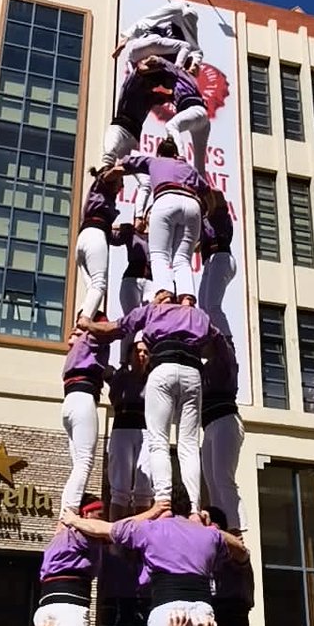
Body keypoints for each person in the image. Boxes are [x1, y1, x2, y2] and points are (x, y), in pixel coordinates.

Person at [63, 502, 248, 626]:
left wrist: (73, 520)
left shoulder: (151, 528)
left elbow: (105, 528)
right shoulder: (208, 534)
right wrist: (210, 528)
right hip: (201, 612)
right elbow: (240, 550)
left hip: (167, 611)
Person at [77, 294, 219, 515]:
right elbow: (215, 347)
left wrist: (87, 323)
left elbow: (116, 328)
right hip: (192, 371)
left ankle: (163, 501)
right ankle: (193, 507)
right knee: (189, 445)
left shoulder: (153, 310)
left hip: (164, 368)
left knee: (158, 443)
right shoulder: (198, 315)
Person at [112, 139, 213, 301]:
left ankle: (164, 293)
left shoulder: (154, 161)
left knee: (159, 254)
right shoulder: (188, 168)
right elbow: (207, 192)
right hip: (192, 204)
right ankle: (187, 297)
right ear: (175, 154)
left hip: (166, 198)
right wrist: (205, 213)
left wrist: (116, 166)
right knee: (183, 258)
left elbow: (126, 161)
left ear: (159, 153)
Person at [33, 498, 104, 626]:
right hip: (69, 609)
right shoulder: (86, 535)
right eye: (100, 514)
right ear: (86, 514)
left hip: (44, 611)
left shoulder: (58, 536)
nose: (102, 519)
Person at [60, 323, 109, 515]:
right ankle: (68, 516)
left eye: (79, 330)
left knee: (78, 466)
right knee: (84, 462)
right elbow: (105, 330)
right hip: (82, 399)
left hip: (70, 402)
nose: (75, 332)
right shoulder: (88, 342)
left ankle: (67, 513)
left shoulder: (74, 355)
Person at [201, 335, 246, 534]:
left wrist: (213, 332)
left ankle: (236, 528)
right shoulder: (203, 370)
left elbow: (222, 343)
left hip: (225, 420)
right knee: (212, 482)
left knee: (222, 478)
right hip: (209, 425)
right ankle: (221, 527)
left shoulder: (225, 360)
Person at [106, 338, 151, 520]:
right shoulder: (120, 377)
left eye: (146, 352)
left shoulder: (154, 378)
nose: (141, 355)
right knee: (119, 487)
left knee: (144, 485)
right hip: (122, 427)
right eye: (137, 351)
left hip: (146, 429)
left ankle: (141, 537)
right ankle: (115, 538)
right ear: (130, 355)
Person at [75, 168, 122, 320]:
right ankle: (83, 323)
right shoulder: (101, 186)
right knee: (99, 284)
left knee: (91, 290)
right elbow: (108, 176)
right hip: (94, 236)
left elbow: (113, 236)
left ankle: (82, 320)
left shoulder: (98, 196)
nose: (122, 187)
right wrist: (126, 168)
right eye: (121, 183)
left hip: (84, 238)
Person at [114, 0, 202, 71]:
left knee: (150, 20)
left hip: (176, 7)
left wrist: (127, 37)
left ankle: (126, 38)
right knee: (188, 45)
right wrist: (195, 63)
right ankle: (182, 67)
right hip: (188, 12)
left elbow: (146, 22)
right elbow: (194, 48)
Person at [198, 191, 236, 338]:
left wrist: (202, 192)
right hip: (211, 261)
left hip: (220, 257)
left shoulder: (219, 214)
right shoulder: (208, 220)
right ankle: (212, 338)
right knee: (203, 306)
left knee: (213, 305)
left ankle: (227, 340)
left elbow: (216, 198)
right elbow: (198, 245)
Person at [112, 219, 152, 318]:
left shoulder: (161, 234)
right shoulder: (131, 232)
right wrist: (122, 226)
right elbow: (110, 237)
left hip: (152, 280)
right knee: (130, 318)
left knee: (152, 317)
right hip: (132, 277)